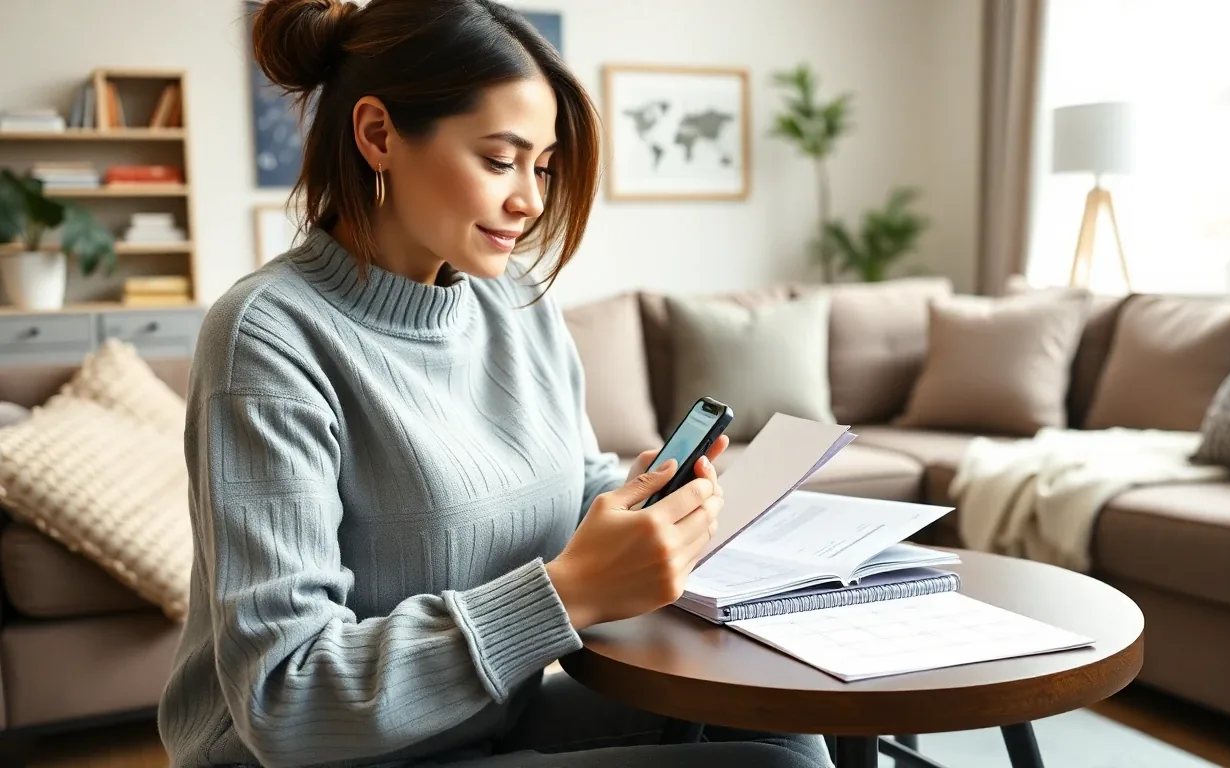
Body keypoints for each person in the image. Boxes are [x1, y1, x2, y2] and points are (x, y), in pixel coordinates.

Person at [155, 1, 834, 767]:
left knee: (780, 721)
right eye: (499, 160)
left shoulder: (515, 302)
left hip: (480, 724)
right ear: (378, 135)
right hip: (315, 757)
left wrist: (647, 515)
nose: (533, 200)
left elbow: (574, 489)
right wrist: (568, 591)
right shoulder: (269, 337)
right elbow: (286, 699)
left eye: (541, 166)